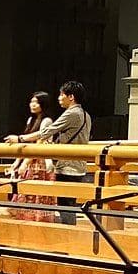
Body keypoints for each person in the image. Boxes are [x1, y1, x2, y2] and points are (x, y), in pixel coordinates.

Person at [46, 80, 94, 223]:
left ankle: (68, 232)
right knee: (69, 204)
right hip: (79, 166)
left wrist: (21, 138)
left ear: (71, 97)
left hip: (67, 166)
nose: (59, 98)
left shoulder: (71, 114)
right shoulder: (86, 115)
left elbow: (47, 131)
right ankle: (69, 230)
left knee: (65, 206)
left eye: (62, 95)